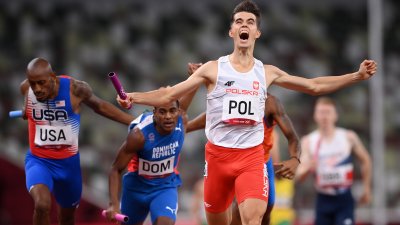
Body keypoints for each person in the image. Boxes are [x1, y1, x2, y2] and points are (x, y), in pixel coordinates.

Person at [116, 1, 377, 225]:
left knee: (253, 218)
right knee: (217, 219)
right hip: (218, 157)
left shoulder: (266, 73)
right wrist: (133, 96)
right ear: (232, 31)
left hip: (251, 158)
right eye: (239, 21)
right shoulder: (212, 69)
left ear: (257, 32)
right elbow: (168, 95)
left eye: (250, 22)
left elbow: (313, 85)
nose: (244, 25)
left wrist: (356, 76)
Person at [20, 57, 135, 225]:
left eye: (41, 83)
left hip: (68, 165)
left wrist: (134, 121)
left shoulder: (75, 89)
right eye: (33, 83)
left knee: (67, 218)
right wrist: (26, 109)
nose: (37, 88)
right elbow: (27, 105)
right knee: (42, 204)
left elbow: (100, 106)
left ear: (53, 77)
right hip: (39, 161)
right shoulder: (26, 88)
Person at [105, 63, 201, 225]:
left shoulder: (181, 120)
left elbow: (185, 96)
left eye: (172, 111)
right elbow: (116, 169)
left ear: (178, 112)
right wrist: (113, 204)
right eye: (162, 112)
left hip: (165, 188)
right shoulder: (139, 136)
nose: (168, 117)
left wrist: (195, 76)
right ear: (154, 114)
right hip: (136, 190)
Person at [186, 93, 301, 225]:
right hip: (233, 159)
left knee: (266, 210)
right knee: (239, 210)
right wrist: (185, 127)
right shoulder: (231, 94)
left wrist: (295, 159)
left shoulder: (270, 103)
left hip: (261, 160)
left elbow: (292, 136)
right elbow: (212, 115)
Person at [296, 97, 372, 225]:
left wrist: (367, 188)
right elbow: (299, 175)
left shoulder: (348, 137)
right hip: (323, 199)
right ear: (315, 115)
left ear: (335, 115)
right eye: (321, 112)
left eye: (328, 112)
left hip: (344, 198)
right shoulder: (308, 141)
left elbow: (366, 160)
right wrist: (308, 166)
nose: (324, 117)